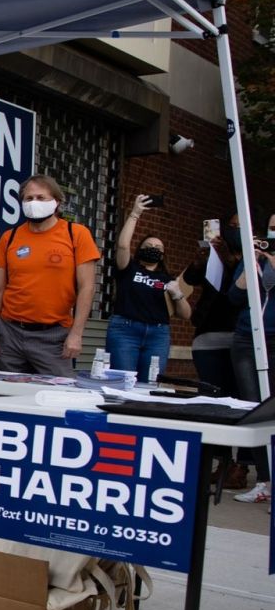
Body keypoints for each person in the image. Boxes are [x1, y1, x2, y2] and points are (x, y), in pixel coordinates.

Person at [0, 174, 99, 377]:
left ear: (57, 202)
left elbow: (87, 288)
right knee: (1, 391)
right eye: (28, 198)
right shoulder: (10, 237)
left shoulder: (76, 234)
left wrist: (76, 334)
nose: (34, 202)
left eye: (41, 197)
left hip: (53, 336)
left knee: (57, 392)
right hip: (9, 334)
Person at [104, 194, 191, 377]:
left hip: (158, 335)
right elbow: (123, 246)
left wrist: (177, 294)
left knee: (150, 384)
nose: (153, 248)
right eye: (149, 245)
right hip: (125, 331)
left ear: (163, 255)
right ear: (140, 249)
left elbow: (185, 314)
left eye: (158, 248)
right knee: (123, 381)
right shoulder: (129, 269)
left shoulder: (169, 279)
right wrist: (135, 213)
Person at [227, 218, 275, 503]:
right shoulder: (253, 257)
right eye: (271, 226)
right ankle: (264, 481)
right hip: (248, 338)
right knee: (254, 408)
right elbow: (234, 296)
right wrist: (252, 261)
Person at [177, 211, 243, 397]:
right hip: (207, 335)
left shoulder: (254, 259)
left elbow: (237, 291)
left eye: (239, 227)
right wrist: (199, 262)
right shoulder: (215, 255)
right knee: (210, 393)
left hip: (239, 336)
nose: (234, 231)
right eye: (231, 226)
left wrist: (229, 259)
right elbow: (190, 279)